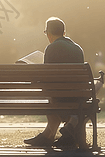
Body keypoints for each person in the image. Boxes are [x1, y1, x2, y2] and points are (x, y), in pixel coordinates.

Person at [24, 17, 84, 148]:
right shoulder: (77, 48)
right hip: (77, 96)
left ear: (49, 34)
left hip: (59, 96)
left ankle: (47, 136)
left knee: (51, 97)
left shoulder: (51, 48)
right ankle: (51, 135)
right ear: (64, 33)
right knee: (54, 95)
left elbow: (47, 77)